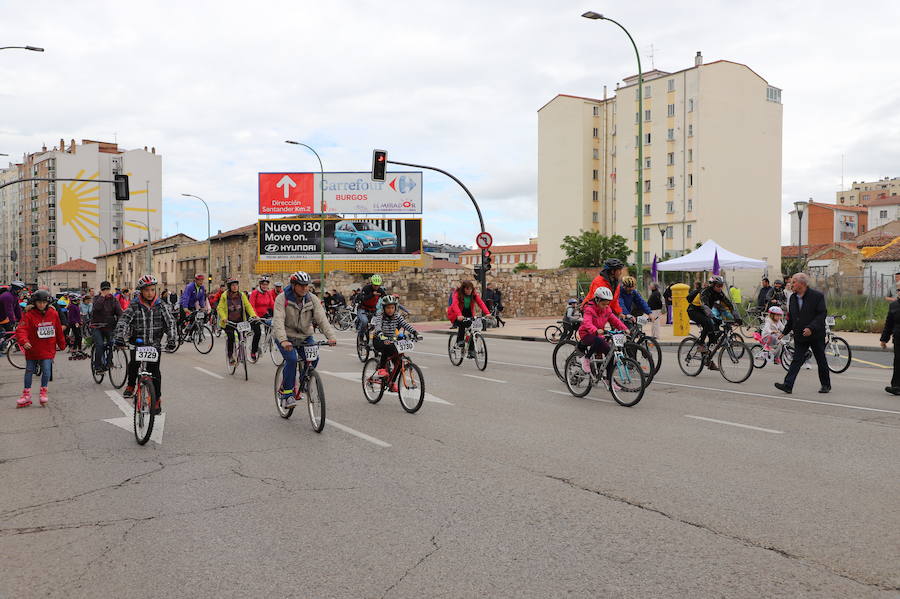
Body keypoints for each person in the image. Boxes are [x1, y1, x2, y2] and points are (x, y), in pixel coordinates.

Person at [272, 271, 336, 408]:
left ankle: (303, 381)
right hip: (285, 336)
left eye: (306, 285)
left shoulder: (312, 299)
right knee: (292, 359)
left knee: (314, 358)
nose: (304, 288)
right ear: (293, 285)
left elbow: (321, 318)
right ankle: (287, 394)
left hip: (305, 335)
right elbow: (278, 320)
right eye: (301, 285)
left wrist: (331, 337)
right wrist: (283, 340)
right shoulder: (282, 298)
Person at [115, 275, 177, 413]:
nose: (150, 293)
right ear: (141, 291)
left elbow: (170, 322)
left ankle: (157, 400)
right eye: (147, 290)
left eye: (152, 290)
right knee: (134, 364)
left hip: (154, 344)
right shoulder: (134, 305)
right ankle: (131, 385)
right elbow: (123, 321)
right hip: (137, 342)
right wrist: (119, 337)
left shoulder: (161, 305)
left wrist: (172, 339)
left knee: (155, 373)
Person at [774, 273, 831, 394]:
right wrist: (784, 332)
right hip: (801, 335)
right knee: (796, 360)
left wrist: (811, 327)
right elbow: (792, 318)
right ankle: (788, 385)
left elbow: (821, 314)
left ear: (802, 283)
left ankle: (826, 385)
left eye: (794, 282)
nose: (791, 284)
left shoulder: (817, 296)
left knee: (821, 360)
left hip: (816, 335)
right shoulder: (793, 298)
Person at [14, 290, 66, 407]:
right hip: (32, 348)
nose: (41, 305)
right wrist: (24, 341)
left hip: (47, 347)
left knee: (47, 370)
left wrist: (62, 343)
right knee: (29, 370)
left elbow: (58, 329)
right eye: (39, 302)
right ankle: (26, 395)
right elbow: (21, 330)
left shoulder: (53, 314)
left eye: (44, 302)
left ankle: (43, 392)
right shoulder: (28, 314)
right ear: (35, 302)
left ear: (47, 303)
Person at [370, 295, 420, 392]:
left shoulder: (397, 316)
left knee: (399, 361)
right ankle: (381, 368)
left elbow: (405, 324)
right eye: (388, 308)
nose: (390, 310)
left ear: (395, 308)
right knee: (387, 346)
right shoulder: (380, 315)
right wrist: (380, 334)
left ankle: (391, 383)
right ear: (384, 308)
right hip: (379, 340)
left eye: (392, 307)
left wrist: (414, 332)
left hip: (391, 339)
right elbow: (378, 326)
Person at [686, 275, 734, 370]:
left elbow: (728, 304)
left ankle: (707, 358)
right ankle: (700, 345)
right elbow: (705, 306)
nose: (720, 288)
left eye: (721, 286)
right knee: (708, 322)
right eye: (718, 286)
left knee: (714, 337)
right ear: (713, 285)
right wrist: (713, 317)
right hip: (694, 311)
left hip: (705, 313)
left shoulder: (719, 293)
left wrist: (736, 317)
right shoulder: (705, 292)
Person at [577, 286, 627, 375]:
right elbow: (587, 323)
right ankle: (586, 359)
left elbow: (614, 320)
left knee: (610, 354)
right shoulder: (589, 309)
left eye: (607, 304)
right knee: (599, 340)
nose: (605, 306)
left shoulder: (607, 309)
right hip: (586, 334)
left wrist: (624, 328)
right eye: (603, 304)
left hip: (598, 334)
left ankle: (609, 380)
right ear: (597, 300)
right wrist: (596, 330)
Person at [216, 277, 258, 367]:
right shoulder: (224, 295)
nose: (235, 287)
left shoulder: (242, 295)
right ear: (229, 286)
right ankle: (230, 356)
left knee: (242, 338)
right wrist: (223, 318)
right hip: (229, 322)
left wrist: (253, 315)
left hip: (240, 321)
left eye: (236, 285)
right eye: (233, 285)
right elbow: (220, 308)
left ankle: (241, 353)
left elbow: (248, 306)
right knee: (231, 338)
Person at [447, 280, 490, 358]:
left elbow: (480, 303)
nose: (469, 291)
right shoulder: (457, 294)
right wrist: (459, 315)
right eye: (467, 289)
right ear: (463, 289)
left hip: (468, 314)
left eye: (470, 289)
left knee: (473, 329)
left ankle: (471, 351)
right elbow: (454, 305)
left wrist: (487, 313)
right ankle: (460, 341)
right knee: (462, 324)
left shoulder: (473, 295)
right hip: (456, 314)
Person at [90, 281, 123, 373]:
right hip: (97, 326)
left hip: (109, 326)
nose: (106, 291)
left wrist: (121, 322)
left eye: (107, 289)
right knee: (100, 345)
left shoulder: (113, 299)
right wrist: (102, 297)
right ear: (101, 290)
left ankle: (109, 362)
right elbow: (97, 308)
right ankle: (97, 366)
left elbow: (119, 312)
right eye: (104, 289)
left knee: (112, 344)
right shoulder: (97, 298)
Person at [880, 281, 900, 395]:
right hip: (898, 338)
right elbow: (889, 324)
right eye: (898, 290)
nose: (899, 292)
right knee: (898, 361)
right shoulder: (893, 305)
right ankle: (896, 386)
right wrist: (884, 339)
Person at [249, 277, 276, 362]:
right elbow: (251, 306)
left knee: (272, 325)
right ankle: (253, 351)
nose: (265, 286)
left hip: (264, 314)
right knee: (258, 333)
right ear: (260, 285)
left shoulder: (268, 293)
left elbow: (272, 304)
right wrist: (255, 316)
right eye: (263, 284)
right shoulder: (255, 293)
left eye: (266, 284)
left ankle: (267, 341)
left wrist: (279, 312)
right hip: (255, 316)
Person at [66, 294, 84, 359]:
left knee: (80, 336)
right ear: (75, 300)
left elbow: (77, 315)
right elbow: (71, 317)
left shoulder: (76, 306)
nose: (80, 301)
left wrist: (80, 321)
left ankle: (79, 349)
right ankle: (74, 349)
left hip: (77, 323)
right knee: (77, 336)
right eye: (78, 300)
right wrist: (76, 322)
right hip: (74, 324)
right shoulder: (72, 306)